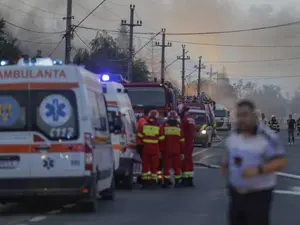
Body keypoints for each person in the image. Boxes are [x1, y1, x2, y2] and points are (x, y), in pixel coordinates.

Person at [221, 99, 287, 225]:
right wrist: (225, 164)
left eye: (245, 115)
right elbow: (230, 157)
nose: (241, 119)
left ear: (254, 115)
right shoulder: (233, 136)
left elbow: (280, 161)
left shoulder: (267, 137)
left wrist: (258, 170)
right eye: (239, 115)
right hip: (236, 195)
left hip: (258, 196)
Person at [137, 109, 164, 188]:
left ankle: (145, 182)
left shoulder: (144, 126)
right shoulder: (158, 127)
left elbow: (140, 136)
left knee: (146, 166)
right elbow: (161, 139)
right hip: (155, 149)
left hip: (146, 148)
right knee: (154, 166)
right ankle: (153, 182)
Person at [161, 110, 185, 188]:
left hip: (167, 150)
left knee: (166, 167)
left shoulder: (164, 127)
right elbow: (182, 142)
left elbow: (161, 140)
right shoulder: (179, 128)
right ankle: (177, 182)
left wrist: (161, 151)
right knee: (176, 167)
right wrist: (182, 152)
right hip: (177, 151)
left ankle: (166, 182)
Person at [180, 106, 196, 187]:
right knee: (189, 160)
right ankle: (190, 178)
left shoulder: (185, 120)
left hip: (186, 142)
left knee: (185, 160)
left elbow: (181, 132)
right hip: (191, 142)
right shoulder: (192, 119)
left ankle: (185, 179)